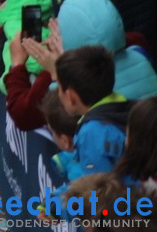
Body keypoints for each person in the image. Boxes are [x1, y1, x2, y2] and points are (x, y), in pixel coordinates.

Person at [54, 45, 132, 181]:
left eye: (59, 87)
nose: (58, 93)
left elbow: (101, 192)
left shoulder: (91, 133)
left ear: (71, 97)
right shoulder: (125, 105)